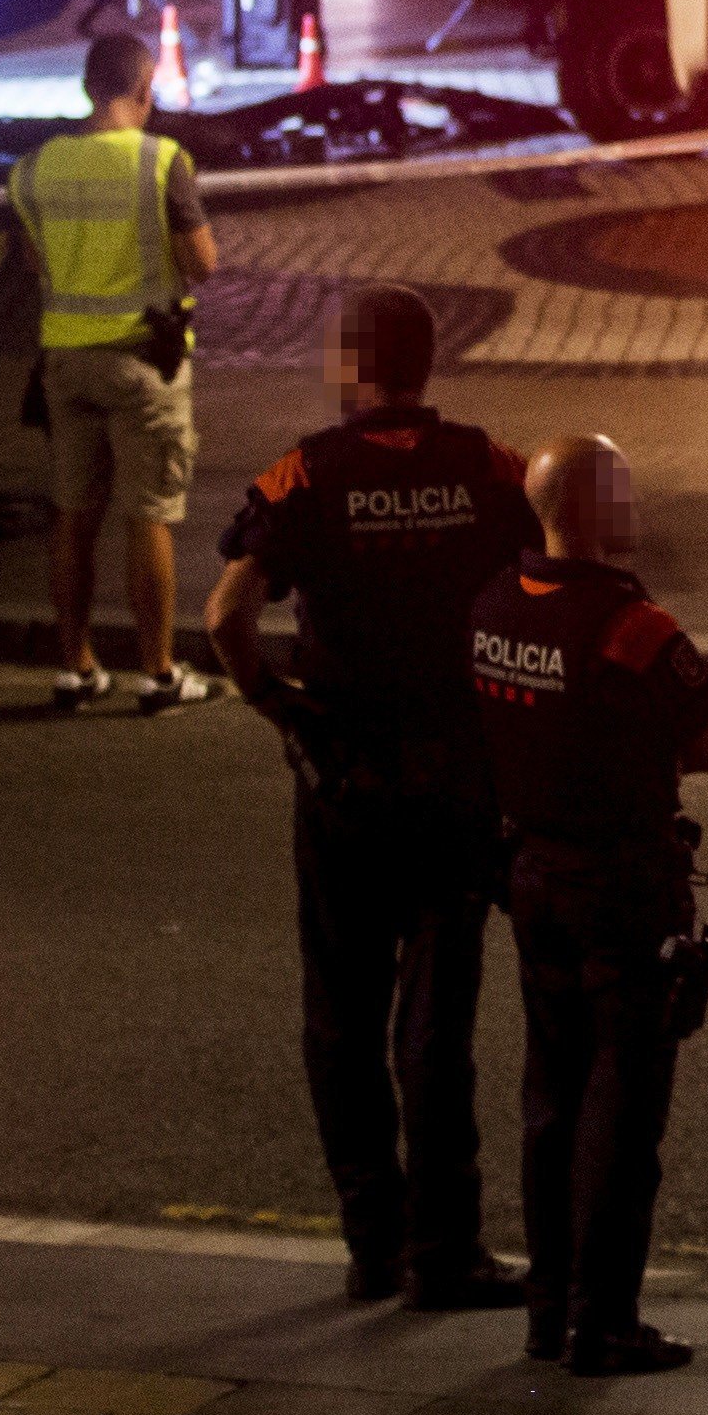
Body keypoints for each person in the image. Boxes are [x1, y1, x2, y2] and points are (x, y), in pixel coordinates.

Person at [205, 283, 542, 1312]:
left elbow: (226, 615)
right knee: (439, 1021)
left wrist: (278, 705)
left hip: (345, 777)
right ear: (428, 365)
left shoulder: (305, 474)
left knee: (342, 1011)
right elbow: (543, 594)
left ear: (351, 364)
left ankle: (371, 1243)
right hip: (455, 776)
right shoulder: (488, 468)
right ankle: (450, 1251)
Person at [467, 433, 708, 1377]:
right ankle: (603, 1321)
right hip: (622, 886)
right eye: (622, 487)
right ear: (596, 506)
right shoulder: (634, 627)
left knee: (551, 1093)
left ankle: (547, 1308)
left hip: (533, 877)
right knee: (621, 1109)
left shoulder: (495, 605)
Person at [9, 32, 224, 713]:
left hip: (64, 364)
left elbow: (35, 263)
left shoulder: (33, 169)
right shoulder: (161, 162)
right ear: (143, 89)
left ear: (84, 89)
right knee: (148, 515)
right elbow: (202, 263)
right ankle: (158, 673)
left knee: (72, 515)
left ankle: (75, 666)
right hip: (141, 364)